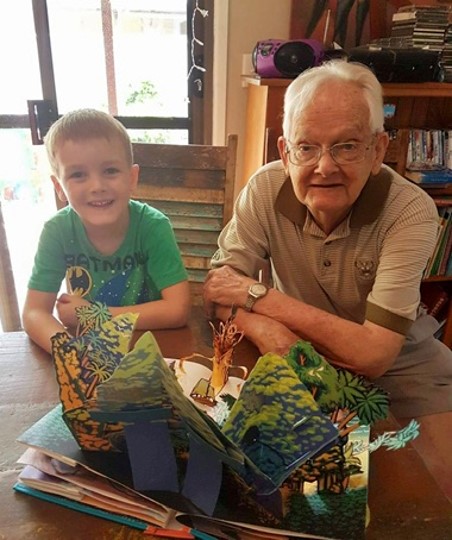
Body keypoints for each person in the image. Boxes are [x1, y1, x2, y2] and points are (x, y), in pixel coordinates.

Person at [203, 60, 452, 499]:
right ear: (285, 152)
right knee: (257, 480)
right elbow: (219, 290)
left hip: (404, 364)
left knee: (434, 495)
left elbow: (374, 354)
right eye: (307, 147)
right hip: (294, 352)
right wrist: (268, 331)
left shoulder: (411, 211)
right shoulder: (264, 189)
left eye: (346, 147)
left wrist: (261, 297)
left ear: (378, 150)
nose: (324, 166)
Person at [23, 109, 190, 354]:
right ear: (59, 187)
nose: (97, 186)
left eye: (110, 170)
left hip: (153, 351)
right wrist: (70, 352)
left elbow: (178, 310)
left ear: (132, 178)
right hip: (90, 352)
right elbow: (34, 312)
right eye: (78, 175)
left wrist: (94, 315)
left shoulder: (153, 226)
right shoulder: (56, 231)